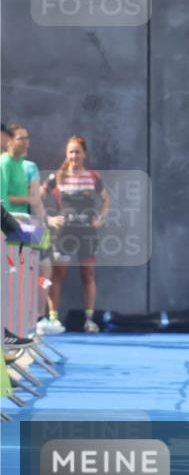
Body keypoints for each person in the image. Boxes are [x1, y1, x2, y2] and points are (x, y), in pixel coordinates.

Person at [46, 136, 110, 334]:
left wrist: (101, 218)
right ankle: (53, 319)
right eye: (71, 152)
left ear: (84, 154)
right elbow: (37, 199)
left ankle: (89, 320)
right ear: (67, 154)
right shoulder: (57, 177)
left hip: (87, 233)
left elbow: (106, 199)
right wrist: (49, 219)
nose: (74, 156)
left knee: (88, 275)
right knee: (57, 275)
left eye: (78, 152)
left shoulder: (93, 177)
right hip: (64, 233)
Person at [6, 125, 64, 335]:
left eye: (28, 138)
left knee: (44, 269)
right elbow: (18, 198)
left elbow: (36, 201)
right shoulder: (5, 164)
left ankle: (37, 319)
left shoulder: (30, 166)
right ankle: (17, 325)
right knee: (15, 276)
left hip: (28, 227)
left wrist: (45, 220)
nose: (27, 142)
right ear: (9, 141)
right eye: (22, 138)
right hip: (11, 228)